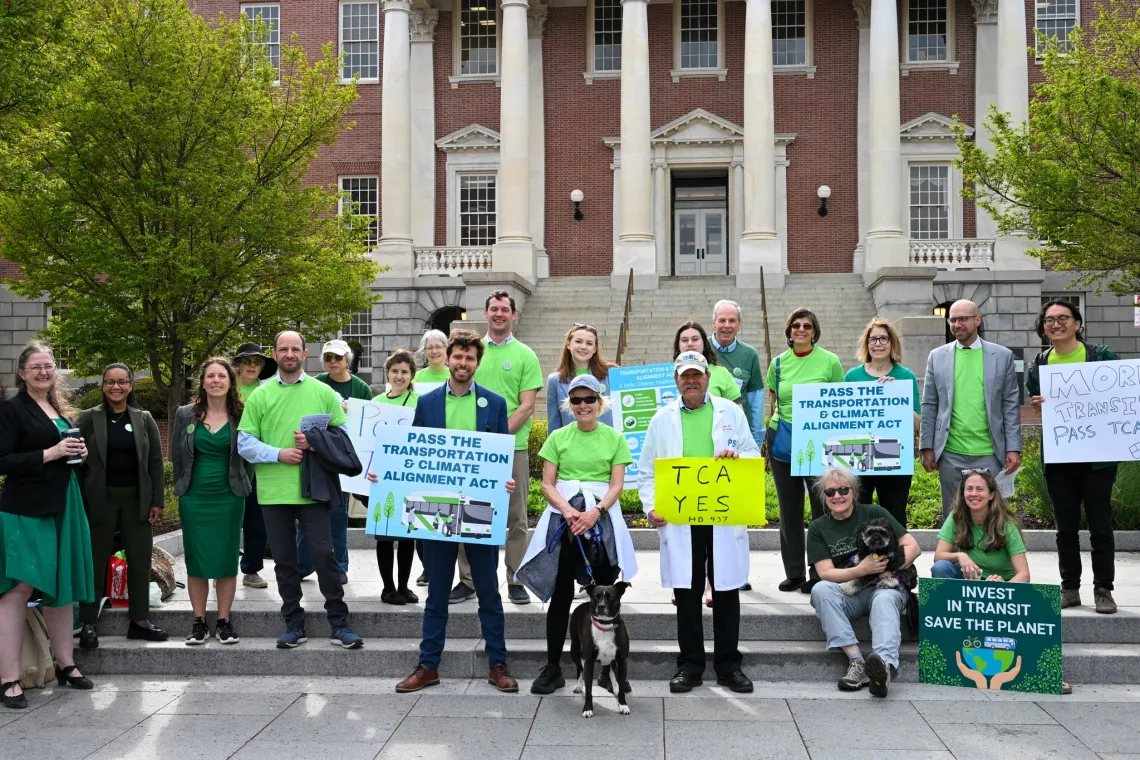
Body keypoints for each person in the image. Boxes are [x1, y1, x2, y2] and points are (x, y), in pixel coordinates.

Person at [394, 330, 519, 694]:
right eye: (458, 357)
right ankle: (428, 665)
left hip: (478, 508)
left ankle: (498, 663)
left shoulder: (494, 404)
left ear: (477, 363)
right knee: (436, 592)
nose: (463, 363)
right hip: (437, 509)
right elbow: (414, 454)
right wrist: (389, 473)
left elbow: (500, 456)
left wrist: (504, 482)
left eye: (470, 358)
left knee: (488, 591)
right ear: (446, 359)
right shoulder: (428, 402)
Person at [638, 351, 758, 695]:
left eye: (697, 375)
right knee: (687, 591)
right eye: (684, 376)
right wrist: (650, 508)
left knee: (726, 590)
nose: (691, 380)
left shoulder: (730, 412)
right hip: (680, 517)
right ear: (676, 380)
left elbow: (751, 453)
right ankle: (690, 666)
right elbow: (647, 470)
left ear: (707, 377)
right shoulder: (662, 419)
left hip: (722, 514)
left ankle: (728, 667)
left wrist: (738, 457)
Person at [237, 331, 363, 650]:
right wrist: (277, 453)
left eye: (295, 349)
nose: (289, 353)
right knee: (284, 561)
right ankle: (294, 623)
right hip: (273, 491)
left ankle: (339, 622)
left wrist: (314, 442)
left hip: (313, 489)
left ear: (305, 354)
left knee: (324, 554)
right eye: (284, 349)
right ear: (275, 354)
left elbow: (343, 437)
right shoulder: (260, 396)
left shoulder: (323, 392)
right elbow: (244, 442)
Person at [520, 374, 637, 694]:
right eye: (576, 400)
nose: (583, 405)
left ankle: (608, 669)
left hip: (601, 522)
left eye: (589, 400)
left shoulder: (615, 438)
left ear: (600, 403)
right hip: (564, 522)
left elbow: (616, 485)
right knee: (559, 597)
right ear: (569, 404)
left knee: (606, 595)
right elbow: (547, 483)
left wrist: (595, 512)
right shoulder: (558, 437)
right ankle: (553, 666)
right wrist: (569, 512)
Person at [0, 343, 95, 708]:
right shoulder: (10, 411)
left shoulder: (58, 409)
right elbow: (2, 459)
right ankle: (9, 679)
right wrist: (51, 453)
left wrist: (79, 454)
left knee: (62, 584)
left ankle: (66, 664)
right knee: (19, 587)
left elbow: (66, 453)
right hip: (26, 509)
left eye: (49, 366)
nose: (44, 372)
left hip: (65, 503)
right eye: (36, 366)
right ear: (22, 373)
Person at [1026, 299, 1119, 613]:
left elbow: (1120, 395)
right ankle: (1070, 588)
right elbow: (1039, 403)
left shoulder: (1100, 356)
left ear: (1077, 323)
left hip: (1097, 460)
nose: (1055, 324)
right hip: (1059, 457)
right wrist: (1039, 405)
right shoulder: (1039, 364)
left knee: (1100, 526)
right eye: (1049, 319)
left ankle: (1104, 589)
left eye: (1062, 317)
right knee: (1064, 528)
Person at [451, 290, 541, 607]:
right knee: (469, 512)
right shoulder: (474, 352)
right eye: (494, 309)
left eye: (505, 309)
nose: (499, 314)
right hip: (471, 450)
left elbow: (527, 406)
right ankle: (468, 581)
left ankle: (515, 579)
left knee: (515, 517)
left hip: (511, 448)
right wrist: (481, 443)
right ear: (486, 313)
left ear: (513, 315)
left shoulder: (526, 355)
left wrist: (496, 439)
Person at [807, 467, 921, 698]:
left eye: (843, 490)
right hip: (853, 590)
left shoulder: (873, 512)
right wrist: (862, 570)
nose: (837, 496)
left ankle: (884, 668)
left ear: (855, 493)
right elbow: (825, 573)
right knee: (820, 590)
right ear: (824, 498)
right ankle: (857, 662)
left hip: (886, 585)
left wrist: (891, 570)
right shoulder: (818, 527)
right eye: (830, 492)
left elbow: (913, 546)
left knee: (885, 600)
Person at [77, 363, 168, 648]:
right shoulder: (88, 418)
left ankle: (139, 621)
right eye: (109, 382)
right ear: (102, 386)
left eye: (122, 382)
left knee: (140, 561)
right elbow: (76, 463)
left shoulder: (144, 418)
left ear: (131, 385)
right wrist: (81, 500)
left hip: (136, 501)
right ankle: (89, 623)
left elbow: (155, 461)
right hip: (99, 501)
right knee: (94, 562)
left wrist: (157, 501)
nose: (116, 387)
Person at [172, 358, 254, 645]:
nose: (216, 380)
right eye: (210, 376)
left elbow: (250, 455)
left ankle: (223, 621)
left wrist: (243, 483)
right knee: (196, 558)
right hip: (194, 497)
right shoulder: (186, 414)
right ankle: (198, 622)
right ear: (203, 381)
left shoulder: (243, 413)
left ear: (231, 382)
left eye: (222, 376)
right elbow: (177, 456)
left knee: (226, 557)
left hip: (229, 497)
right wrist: (183, 487)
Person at [766, 308, 845, 594]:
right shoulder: (777, 364)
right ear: (788, 331)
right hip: (784, 438)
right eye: (796, 326)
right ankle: (795, 572)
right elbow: (775, 402)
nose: (801, 330)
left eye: (807, 326)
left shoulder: (830, 361)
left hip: (819, 441)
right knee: (789, 510)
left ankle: (820, 570)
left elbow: (840, 402)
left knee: (822, 507)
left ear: (815, 331)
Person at [920, 299, 1022, 517]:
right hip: (949, 453)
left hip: (990, 453)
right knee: (953, 517)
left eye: (963, 319)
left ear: (977, 320)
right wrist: (927, 447)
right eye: (953, 320)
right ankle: (954, 553)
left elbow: (1010, 406)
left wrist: (1013, 447)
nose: (957, 324)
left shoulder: (1002, 356)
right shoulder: (936, 357)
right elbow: (930, 404)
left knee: (991, 518)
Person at [297, 338, 372, 585]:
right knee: (309, 512)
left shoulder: (361, 388)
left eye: (338, 357)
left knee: (338, 514)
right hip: (317, 456)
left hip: (343, 456)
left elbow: (367, 424)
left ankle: (339, 566)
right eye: (328, 358)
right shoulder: (316, 383)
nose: (333, 362)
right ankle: (302, 564)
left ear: (347, 360)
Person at [843, 318, 922, 528]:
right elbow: (844, 421)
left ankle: (897, 560)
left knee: (894, 514)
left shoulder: (905, 376)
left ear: (892, 343)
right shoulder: (852, 376)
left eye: (883, 339)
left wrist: (897, 396)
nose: (878, 344)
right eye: (873, 339)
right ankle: (859, 560)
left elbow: (918, 424)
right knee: (858, 514)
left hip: (894, 457)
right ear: (866, 344)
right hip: (859, 456)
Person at [373, 349, 421, 606]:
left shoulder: (420, 401)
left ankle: (404, 585)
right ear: (388, 373)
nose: (399, 376)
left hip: (410, 477)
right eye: (395, 371)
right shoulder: (377, 402)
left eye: (404, 372)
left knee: (407, 535)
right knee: (384, 534)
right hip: (382, 477)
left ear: (411, 374)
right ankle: (387, 587)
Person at [232, 343, 277, 590]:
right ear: (237, 365)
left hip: (258, 463)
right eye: (247, 361)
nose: (252, 366)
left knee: (256, 520)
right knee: (227, 519)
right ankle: (222, 569)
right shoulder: (226, 389)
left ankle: (251, 569)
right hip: (229, 462)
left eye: (256, 362)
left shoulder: (268, 391)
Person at [932, 469, 1029, 582]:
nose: (974, 494)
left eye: (980, 489)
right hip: (970, 579)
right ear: (963, 494)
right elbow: (938, 556)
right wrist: (960, 556)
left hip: (1002, 583)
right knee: (941, 567)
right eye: (969, 489)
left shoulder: (1006, 523)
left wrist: (1004, 587)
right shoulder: (957, 516)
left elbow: (1024, 575)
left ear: (991, 495)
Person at [710, 300, 766, 444]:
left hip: (738, 434)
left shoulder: (749, 354)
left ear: (739, 325)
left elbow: (756, 401)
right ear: (714, 323)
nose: (727, 325)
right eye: (722, 320)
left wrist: (756, 441)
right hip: (707, 431)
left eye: (732, 321)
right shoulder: (701, 349)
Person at [546, 323, 615, 432]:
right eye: (578, 341)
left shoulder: (612, 374)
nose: (583, 347)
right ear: (568, 344)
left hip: (607, 445)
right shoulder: (554, 380)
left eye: (589, 343)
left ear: (595, 348)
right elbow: (554, 424)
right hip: (572, 446)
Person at [673, 321, 741, 403]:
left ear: (704, 344)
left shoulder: (722, 373)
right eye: (684, 340)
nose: (690, 344)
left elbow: (737, 411)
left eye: (695, 339)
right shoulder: (664, 374)